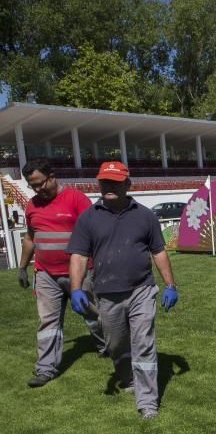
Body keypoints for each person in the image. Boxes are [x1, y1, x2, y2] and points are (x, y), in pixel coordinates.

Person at [66, 161, 178, 420]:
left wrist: (170, 285)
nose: (109, 187)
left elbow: (158, 251)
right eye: (104, 182)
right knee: (115, 344)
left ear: (128, 184)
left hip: (141, 289)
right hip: (106, 292)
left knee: (143, 344)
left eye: (115, 182)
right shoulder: (89, 217)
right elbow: (79, 256)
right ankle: (126, 377)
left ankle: (147, 401)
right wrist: (76, 289)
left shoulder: (145, 215)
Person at [18, 159, 106, 388]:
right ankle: (45, 369)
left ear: (52, 176)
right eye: (32, 185)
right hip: (45, 274)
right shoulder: (32, 205)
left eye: (40, 183)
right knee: (48, 323)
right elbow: (30, 237)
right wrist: (22, 267)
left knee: (93, 314)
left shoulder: (76, 199)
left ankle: (106, 345)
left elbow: (95, 233)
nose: (37, 189)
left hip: (80, 272)